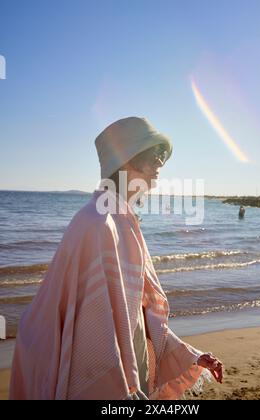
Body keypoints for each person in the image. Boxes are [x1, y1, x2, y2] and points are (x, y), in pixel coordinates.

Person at [9, 117, 223, 400]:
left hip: (131, 363)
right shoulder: (96, 223)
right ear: (127, 163)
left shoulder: (122, 219)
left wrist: (190, 355)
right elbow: (91, 331)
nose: (158, 173)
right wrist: (122, 389)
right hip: (111, 378)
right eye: (154, 162)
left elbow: (136, 311)